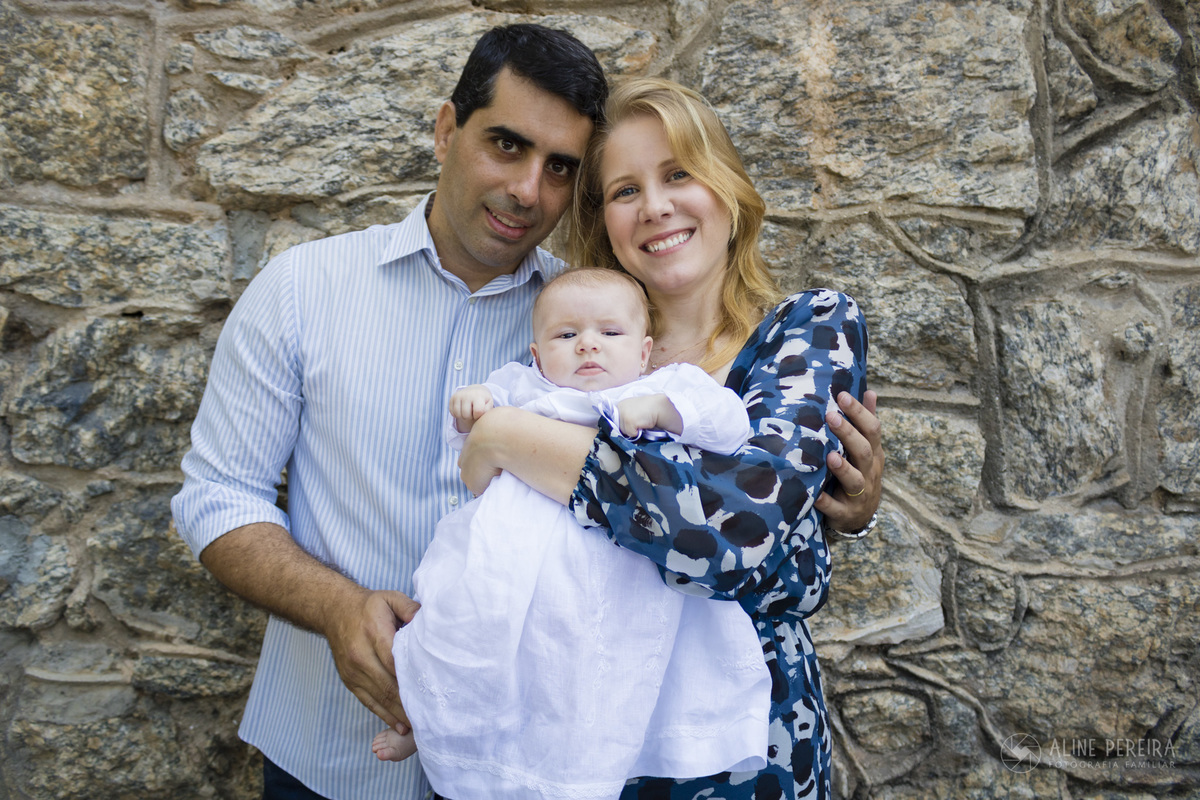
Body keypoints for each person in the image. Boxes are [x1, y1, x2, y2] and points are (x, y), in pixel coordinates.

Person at [171, 22, 882, 799]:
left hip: (563, 755)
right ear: (448, 130)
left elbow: (750, 530)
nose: (526, 189)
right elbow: (217, 495)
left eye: (560, 169)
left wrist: (835, 503)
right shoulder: (305, 290)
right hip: (336, 747)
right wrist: (339, 610)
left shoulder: (589, 322)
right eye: (506, 146)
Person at [456, 77, 872, 799]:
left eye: (679, 173)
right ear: (604, 220)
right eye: (624, 190)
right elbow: (497, 522)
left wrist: (510, 437)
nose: (655, 207)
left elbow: (735, 530)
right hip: (579, 729)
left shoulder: (805, 330)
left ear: (727, 188)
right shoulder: (567, 355)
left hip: (746, 746)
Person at [373, 267, 774, 798]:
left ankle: (603, 753)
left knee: (585, 667)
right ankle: (432, 726)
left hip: (617, 571)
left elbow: (728, 422)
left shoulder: (662, 385)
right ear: (538, 355)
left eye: (610, 333)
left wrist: (664, 411)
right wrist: (471, 403)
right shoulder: (524, 386)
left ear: (644, 350)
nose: (588, 345)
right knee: (456, 628)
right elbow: (470, 430)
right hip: (510, 559)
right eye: (566, 336)